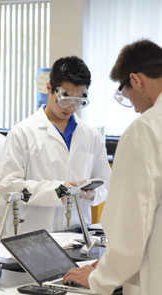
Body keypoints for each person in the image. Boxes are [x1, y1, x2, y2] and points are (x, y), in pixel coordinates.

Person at [63, 40, 162, 295]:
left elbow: (130, 224)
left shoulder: (145, 130)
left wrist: (101, 277)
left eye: (128, 95)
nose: (135, 108)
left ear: (136, 80)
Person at [0, 56, 111, 234]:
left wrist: (93, 193)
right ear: (49, 88)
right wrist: (58, 191)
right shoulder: (22, 133)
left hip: (77, 232)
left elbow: (106, 182)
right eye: (65, 99)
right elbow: (8, 186)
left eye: (78, 101)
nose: (71, 107)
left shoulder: (91, 135)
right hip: (34, 234)